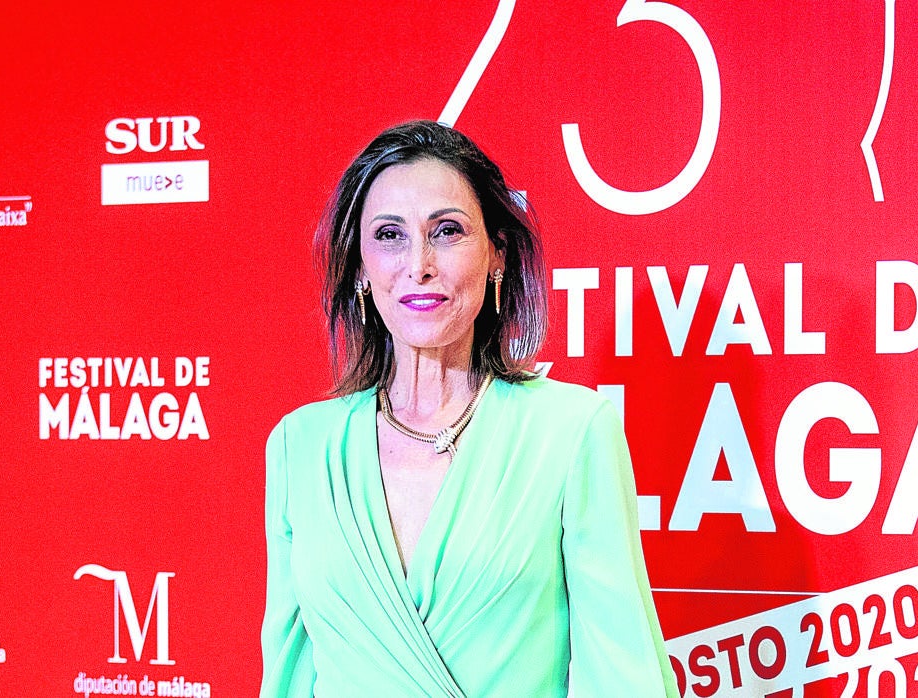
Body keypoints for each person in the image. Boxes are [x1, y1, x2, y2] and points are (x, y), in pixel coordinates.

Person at [261, 120, 676, 697]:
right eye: (389, 235)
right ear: (360, 268)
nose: (419, 264)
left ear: (496, 255)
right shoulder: (301, 447)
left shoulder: (570, 431)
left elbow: (623, 675)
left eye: (447, 231)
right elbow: (288, 676)